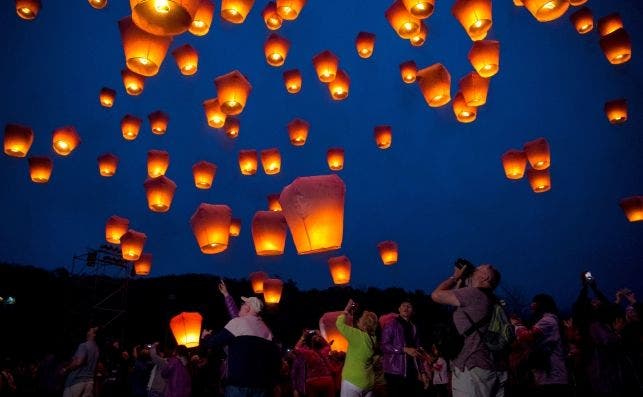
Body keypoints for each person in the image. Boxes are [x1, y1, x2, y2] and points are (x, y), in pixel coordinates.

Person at [431, 262, 506, 397]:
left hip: (473, 368)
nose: (473, 270)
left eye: (477, 269)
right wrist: (462, 280)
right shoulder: (491, 300)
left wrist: (455, 276)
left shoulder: (474, 294)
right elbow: (456, 302)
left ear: (485, 277)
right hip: (492, 367)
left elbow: (436, 295)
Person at [202, 296, 280, 397]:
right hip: (261, 387)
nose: (241, 306)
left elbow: (213, 343)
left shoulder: (237, 323)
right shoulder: (267, 331)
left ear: (247, 308)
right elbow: (275, 359)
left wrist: (206, 336)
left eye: (243, 304)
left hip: (238, 385)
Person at [512, 294, 569, 396]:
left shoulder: (548, 321)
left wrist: (517, 325)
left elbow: (527, 336)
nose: (531, 306)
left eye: (534, 303)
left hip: (552, 377)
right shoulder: (550, 320)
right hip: (548, 377)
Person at [380, 300, 424, 396]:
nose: (406, 308)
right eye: (403, 306)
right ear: (399, 309)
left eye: (409, 306)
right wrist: (403, 349)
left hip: (411, 371)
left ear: (412, 311)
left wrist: (422, 371)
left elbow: (417, 351)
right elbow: (384, 346)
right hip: (394, 371)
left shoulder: (414, 327)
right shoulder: (391, 324)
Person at [336, 299, 378, 397]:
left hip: (353, 381)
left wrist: (347, 308)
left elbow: (339, 324)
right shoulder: (373, 339)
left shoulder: (357, 336)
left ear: (361, 324)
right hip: (369, 382)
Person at [291, 329, 335, 397]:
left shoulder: (308, 353)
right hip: (327, 381)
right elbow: (327, 346)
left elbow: (296, 348)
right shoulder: (324, 352)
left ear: (312, 344)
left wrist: (303, 337)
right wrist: (319, 335)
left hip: (312, 382)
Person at [61, 325, 100, 397]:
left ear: (93, 334)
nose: (88, 331)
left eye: (90, 330)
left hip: (76, 382)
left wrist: (65, 369)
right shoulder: (97, 349)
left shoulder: (83, 345)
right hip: (89, 383)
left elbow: (79, 362)